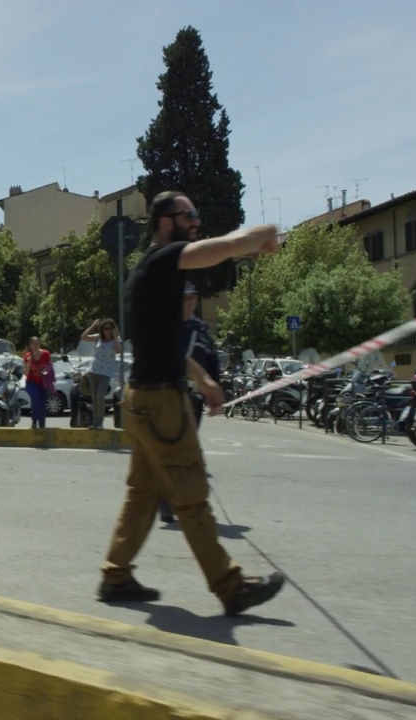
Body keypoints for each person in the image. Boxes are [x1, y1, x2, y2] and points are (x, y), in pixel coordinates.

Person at [98, 190, 285, 617]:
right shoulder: (166, 260)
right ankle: (230, 586)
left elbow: (160, 343)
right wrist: (267, 232)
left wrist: (201, 377)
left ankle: (115, 575)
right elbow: (229, 247)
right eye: (190, 215)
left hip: (142, 398)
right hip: (162, 402)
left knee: (142, 494)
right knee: (191, 495)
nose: (196, 221)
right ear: (167, 221)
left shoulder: (146, 271)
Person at [160, 282, 222, 524]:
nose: (190, 302)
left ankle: (176, 500)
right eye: (185, 298)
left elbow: (212, 359)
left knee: (186, 449)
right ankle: (167, 503)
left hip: (195, 397)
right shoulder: (171, 326)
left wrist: (214, 390)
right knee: (174, 449)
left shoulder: (202, 329)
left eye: (193, 298)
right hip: (172, 393)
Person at [82, 319, 123, 430]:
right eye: (106, 328)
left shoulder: (116, 340)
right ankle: (95, 421)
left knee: (100, 395)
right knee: (94, 397)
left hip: (106, 372)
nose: (108, 331)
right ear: (102, 330)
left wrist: (115, 336)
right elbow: (84, 337)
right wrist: (92, 326)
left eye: (110, 328)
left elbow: (119, 350)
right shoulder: (99, 338)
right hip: (93, 370)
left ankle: (100, 422)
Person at [23, 336, 53, 429]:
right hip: (31, 382)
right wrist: (29, 361)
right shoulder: (27, 356)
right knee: (35, 396)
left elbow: (50, 368)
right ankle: (34, 421)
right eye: (33, 344)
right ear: (30, 345)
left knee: (42, 403)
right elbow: (26, 373)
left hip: (43, 383)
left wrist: (45, 372)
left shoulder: (46, 354)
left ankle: (42, 425)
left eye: (37, 343)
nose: (36, 345)